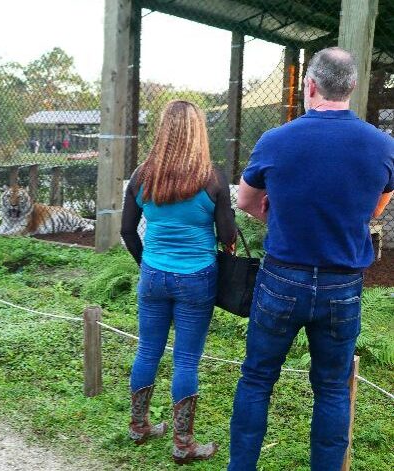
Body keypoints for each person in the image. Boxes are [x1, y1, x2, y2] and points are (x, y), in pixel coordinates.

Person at [229, 47, 393, 470]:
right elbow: (376, 208)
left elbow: (246, 200)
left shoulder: (277, 139)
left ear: (310, 85)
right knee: (334, 388)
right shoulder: (382, 146)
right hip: (342, 287)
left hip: (281, 280)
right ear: (352, 88)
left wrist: (278, 209)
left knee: (257, 379)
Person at [121, 100, 237, 464]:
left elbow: (126, 230)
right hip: (196, 278)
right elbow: (227, 235)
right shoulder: (211, 177)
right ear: (198, 132)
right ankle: (183, 444)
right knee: (186, 360)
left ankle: (139, 427)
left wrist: (148, 265)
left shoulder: (142, 175)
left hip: (153, 274)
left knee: (147, 350)